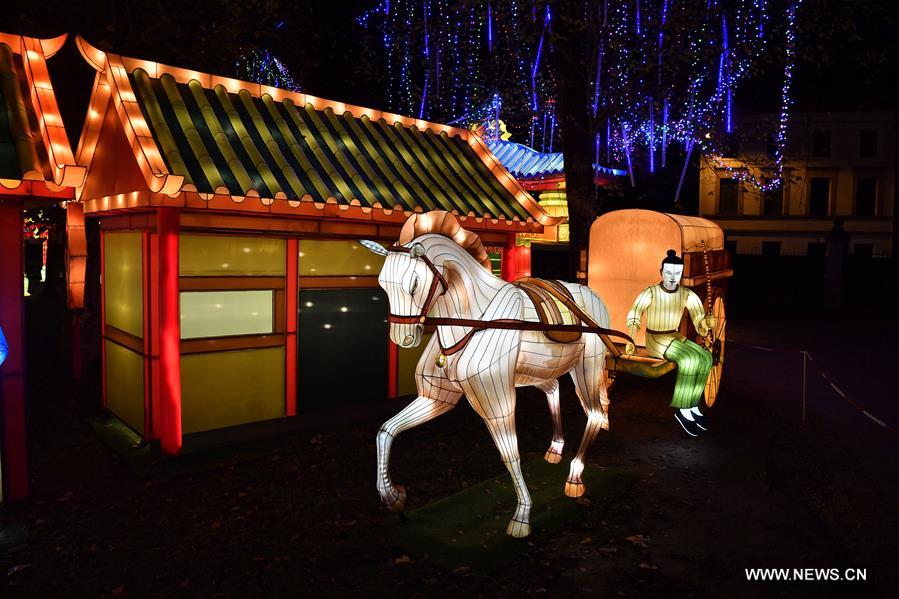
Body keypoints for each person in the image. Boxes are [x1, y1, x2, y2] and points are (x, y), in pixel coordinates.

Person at [625, 250, 716, 436]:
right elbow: (635, 313)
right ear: (661, 272)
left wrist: (706, 324)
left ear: (682, 274)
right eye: (668, 273)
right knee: (689, 358)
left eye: (677, 274)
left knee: (705, 357)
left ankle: (693, 406)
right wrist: (631, 338)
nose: (673, 278)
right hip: (655, 338)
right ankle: (682, 410)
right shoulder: (650, 292)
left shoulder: (686, 294)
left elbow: (699, 320)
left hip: (674, 335)